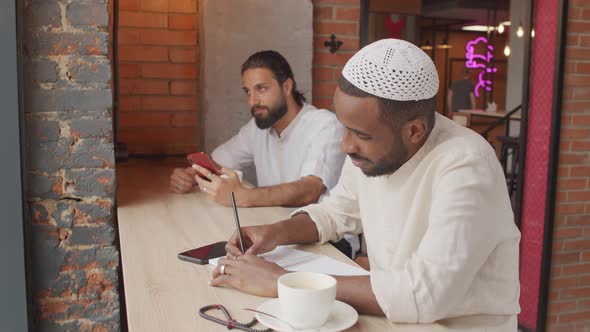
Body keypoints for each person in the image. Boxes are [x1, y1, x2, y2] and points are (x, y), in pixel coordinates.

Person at [209, 39, 521, 328]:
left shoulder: (466, 164)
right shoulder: (373, 150)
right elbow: (335, 212)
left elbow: (425, 293)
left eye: (361, 134)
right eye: (345, 128)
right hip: (391, 318)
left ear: (414, 130)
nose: (346, 145)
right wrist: (274, 232)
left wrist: (284, 282)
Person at [169, 51, 346, 208]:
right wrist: (192, 175)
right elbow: (219, 163)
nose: (253, 101)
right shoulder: (258, 128)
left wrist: (243, 196)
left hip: (327, 241)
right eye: (248, 91)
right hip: (276, 231)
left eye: (261, 89)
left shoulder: (325, 125)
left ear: (287, 87)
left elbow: (310, 190)